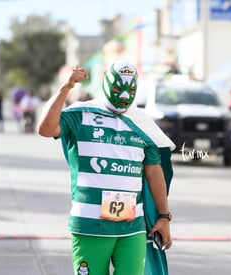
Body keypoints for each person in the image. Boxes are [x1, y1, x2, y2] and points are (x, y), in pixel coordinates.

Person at [37, 61, 175, 275]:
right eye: (118, 89)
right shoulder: (81, 115)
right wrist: (66, 87)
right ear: (105, 85)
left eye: (130, 90)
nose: (123, 96)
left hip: (132, 228)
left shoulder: (141, 124)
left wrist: (164, 217)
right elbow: (45, 128)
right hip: (90, 227)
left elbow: (154, 172)